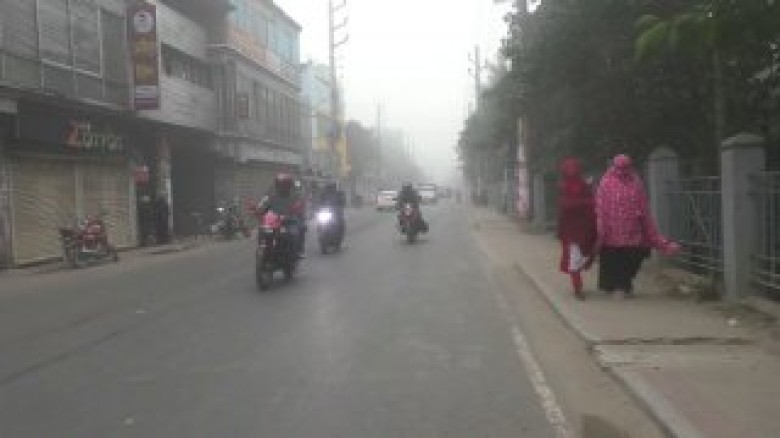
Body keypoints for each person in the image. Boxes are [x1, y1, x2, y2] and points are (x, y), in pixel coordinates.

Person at [595, 154, 680, 298]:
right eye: (620, 167)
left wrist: (659, 240)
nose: (622, 171)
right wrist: (600, 230)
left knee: (634, 255)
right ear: (614, 166)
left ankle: (622, 285)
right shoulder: (606, 182)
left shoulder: (636, 182)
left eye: (625, 167)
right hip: (611, 232)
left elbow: (643, 207)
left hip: (632, 230)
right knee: (614, 259)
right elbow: (600, 207)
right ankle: (619, 287)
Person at [557, 158, 597, 300]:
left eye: (574, 168)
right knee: (574, 258)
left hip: (584, 228)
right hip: (572, 230)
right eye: (569, 169)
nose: (572, 171)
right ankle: (577, 287)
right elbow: (564, 207)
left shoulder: (584, 185)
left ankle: (577, 283)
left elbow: (592, 203)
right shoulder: (564, 186)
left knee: (582, 256)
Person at [257, 173, 307, 256]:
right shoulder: (270, 196)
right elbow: (261, 205)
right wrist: (258, 210)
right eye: (280, 185)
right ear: (277, 185)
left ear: (289, 186)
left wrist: (299, 211)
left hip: (289, 222)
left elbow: (300, 206)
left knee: (300, 228)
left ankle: (299, 250)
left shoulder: (295, 197)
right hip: (273, 222)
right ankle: (262, 247)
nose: (282, 187)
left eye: (285, 185)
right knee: (263, 229)